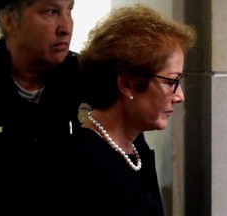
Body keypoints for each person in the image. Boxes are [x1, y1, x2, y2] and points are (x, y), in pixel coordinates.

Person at [71, 3, 196, 216]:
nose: (180, 96)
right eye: (171, 82)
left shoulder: (136, 146)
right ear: (127, 84)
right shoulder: (80, 165)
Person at [0, 0, 80, 212]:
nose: (66, 27)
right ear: (9, 21)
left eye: (69, 10)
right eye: (52, 12)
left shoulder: (87, 80)